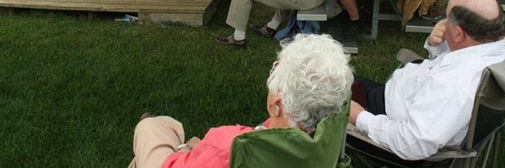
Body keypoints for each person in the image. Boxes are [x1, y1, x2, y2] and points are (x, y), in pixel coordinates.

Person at [128, 34, 354, 168]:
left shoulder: (231, 145)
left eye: (275, 69)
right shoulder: (325, 139)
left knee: (151, 129)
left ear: (277, 103)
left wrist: (185, 149)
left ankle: (168, 132)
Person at [348, 0, 505, 161]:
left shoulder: (452, 84)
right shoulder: (499, 48)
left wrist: (359, 116)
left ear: (458, 33)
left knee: (320, 91)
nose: (443, 22)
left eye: (447, 18)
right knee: (338, 80)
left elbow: (412, 144)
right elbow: (456, 59)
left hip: (386, 122)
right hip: (396, 99)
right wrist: (438, 46)